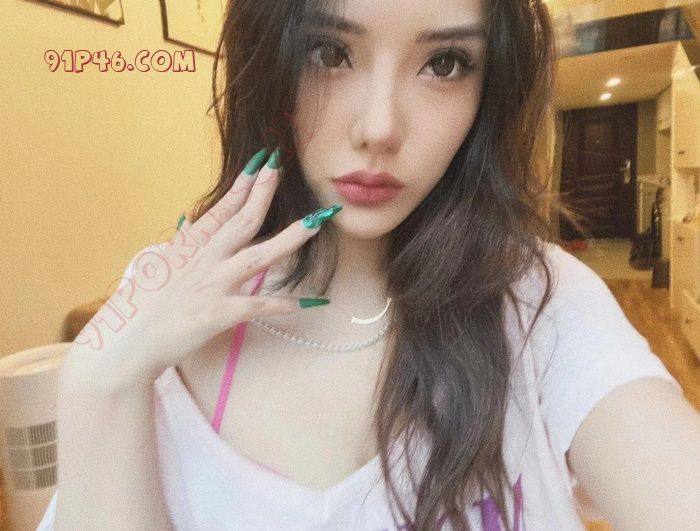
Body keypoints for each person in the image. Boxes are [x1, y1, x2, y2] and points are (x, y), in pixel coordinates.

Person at [37, 0, 700, 529]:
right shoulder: (163, 298)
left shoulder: (543, 301)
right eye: (329, 53)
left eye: (444, 63)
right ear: (268, 62)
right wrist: (97, 384)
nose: (379, 128)